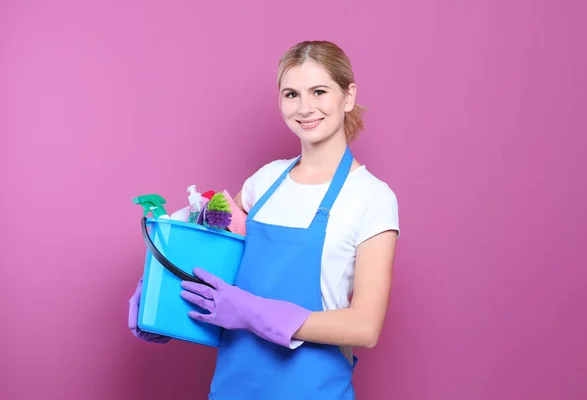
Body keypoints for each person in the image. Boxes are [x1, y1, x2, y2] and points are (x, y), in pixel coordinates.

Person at [128, 40, 400, 399]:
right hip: (234, 385)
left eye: (319, 91)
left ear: (348, 96)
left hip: (313, 390)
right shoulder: (265, 181)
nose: (305, 108)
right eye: (291, 94)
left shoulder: (372, 198)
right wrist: (159, 296)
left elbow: (365, 326)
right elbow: (208, 248)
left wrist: (253, 312)